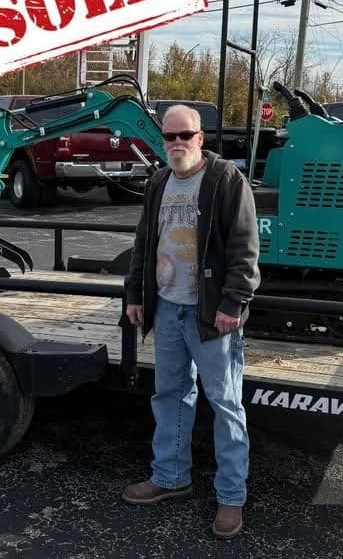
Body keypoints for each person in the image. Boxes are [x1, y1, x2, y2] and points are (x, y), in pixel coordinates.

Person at [122, 104, 261, 540]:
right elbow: (145, 242)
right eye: (170, 136)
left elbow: (245, 248)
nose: (178, 142)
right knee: (170, 394)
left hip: (211, 314)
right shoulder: (159, 181)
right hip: (166, 307)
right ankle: (170, 476)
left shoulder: (225, 180)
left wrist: (232, 304)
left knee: (225, 404)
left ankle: (231, 496)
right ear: (163, 140)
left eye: (186, 135)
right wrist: (135, 294)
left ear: (201, 137)